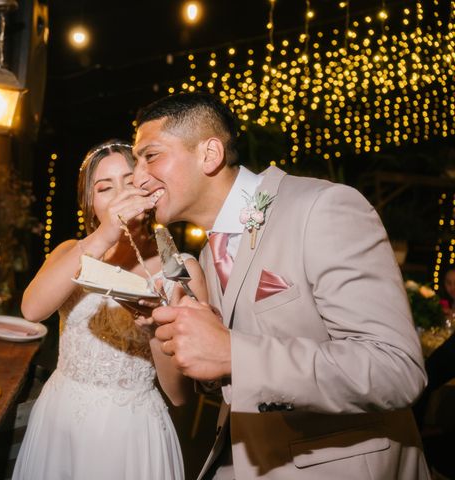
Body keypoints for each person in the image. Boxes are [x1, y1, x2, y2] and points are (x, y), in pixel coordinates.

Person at [131, 92, 430, 479]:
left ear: (209, 154)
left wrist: (234, 354)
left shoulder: (323, 207)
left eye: (150, 156)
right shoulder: (208, 255)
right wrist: (175, 335)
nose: (137, 178)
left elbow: (397, 368)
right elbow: (230, 384)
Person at [11, 139, 208, 480]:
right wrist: (103, 236)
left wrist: (153, 333)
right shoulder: (73, 250)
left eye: (130, 183)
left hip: (129, 431)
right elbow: (32, 309)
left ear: (149, 189)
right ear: (90, 202)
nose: (120, 195)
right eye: (105, 188)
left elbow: (180, 396)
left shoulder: (177, 268)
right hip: (59, 417)